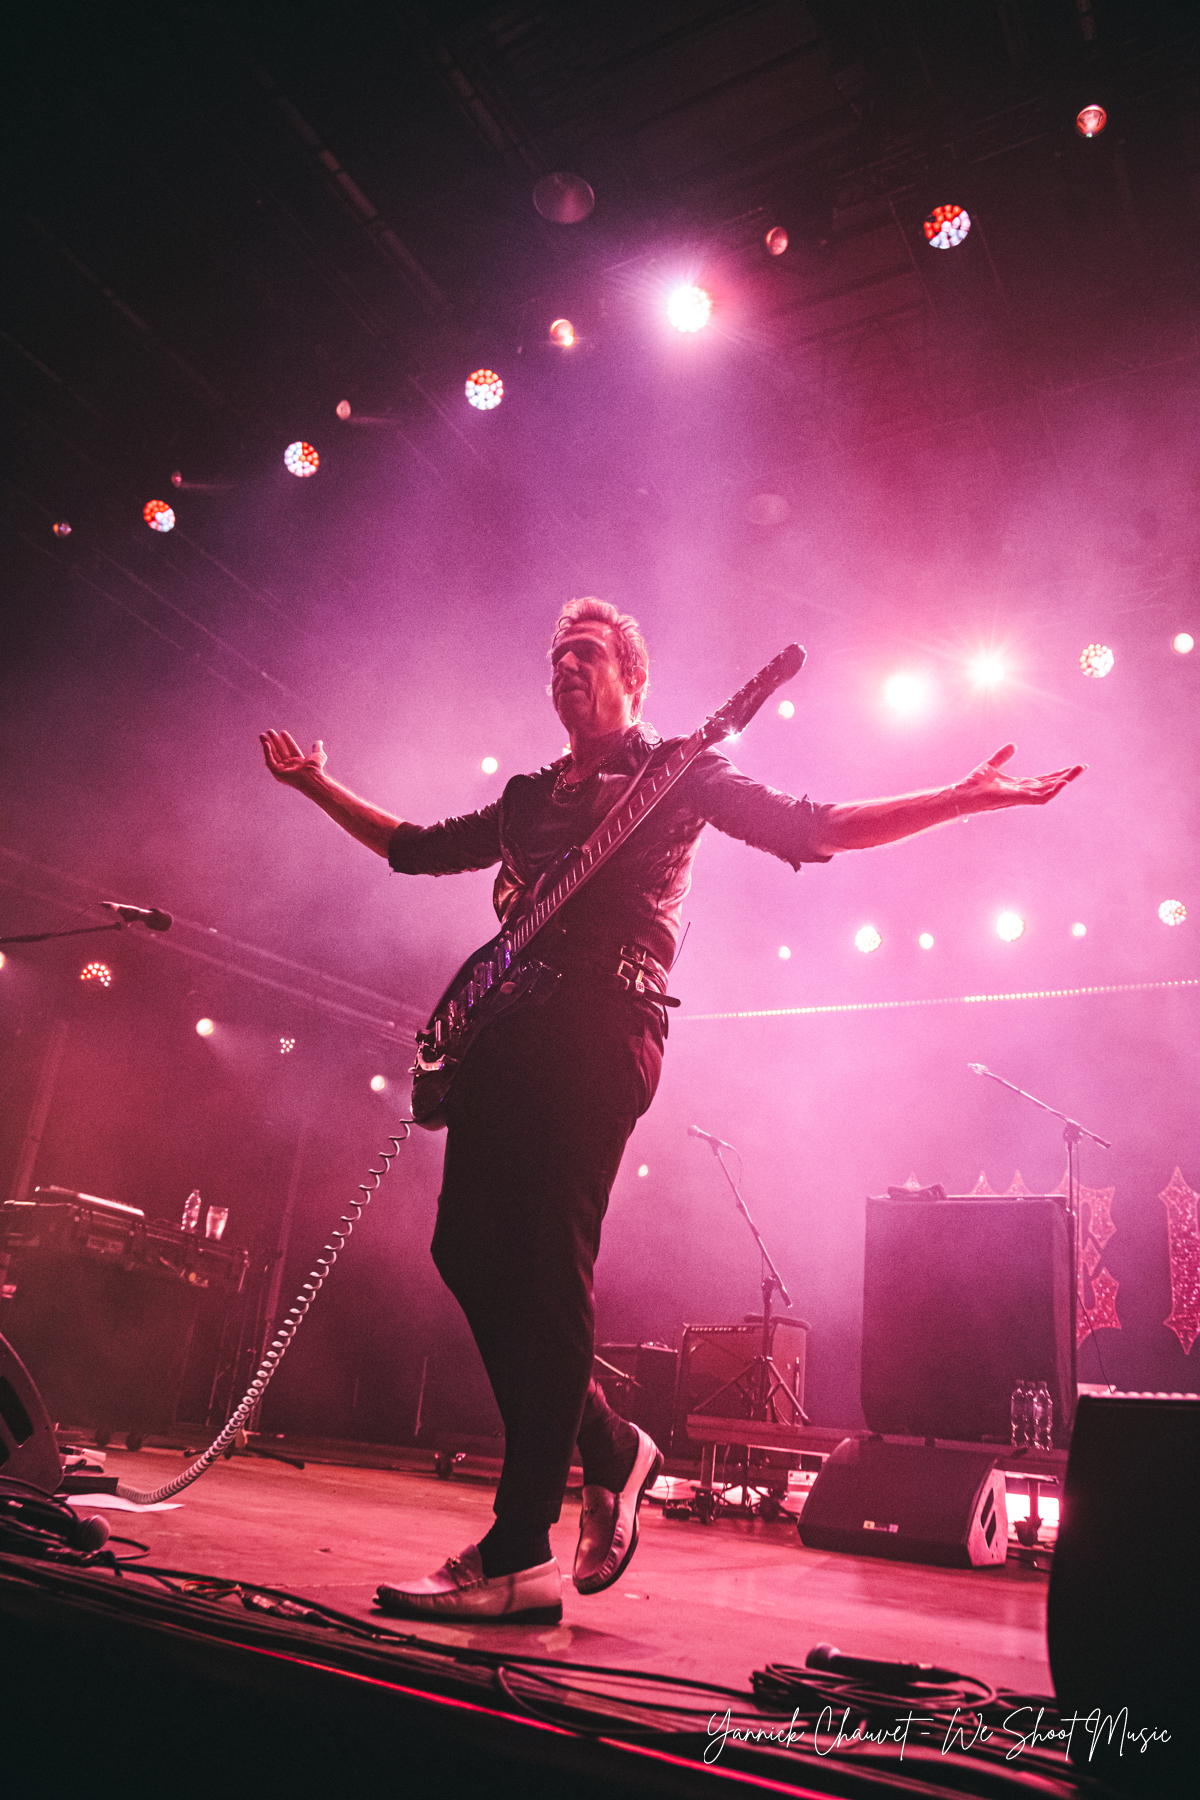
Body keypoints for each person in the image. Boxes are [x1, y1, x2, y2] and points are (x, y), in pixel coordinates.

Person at [261, 597, 1083, 1623]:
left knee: (550, 1269)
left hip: (604, 1028)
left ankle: (521, 1553)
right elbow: (413, 847)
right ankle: (608, 1444)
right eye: (556, 656)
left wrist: (965, 797)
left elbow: (813, 829)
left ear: (633, 680)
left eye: (589, 654)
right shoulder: (524, 798)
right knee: (466, 1253)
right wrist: (315, 785)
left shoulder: (677, 772)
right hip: (503, 1039)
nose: (568, 667)